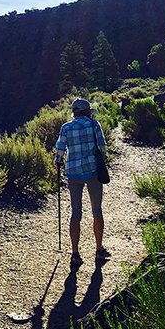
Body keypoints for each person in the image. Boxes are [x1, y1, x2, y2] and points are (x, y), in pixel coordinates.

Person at [55, 98, 109, 266]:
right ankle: (99, 250)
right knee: (96, 210)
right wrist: (103, 160)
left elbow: (60, 151)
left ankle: (75, 254)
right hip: (92, 172)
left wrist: (59, 160)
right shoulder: (94, 125)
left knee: (76, 213)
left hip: (73, 174)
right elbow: (102, 148)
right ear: (87, 111)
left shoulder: (66, 127)